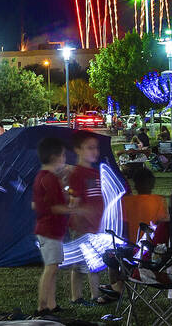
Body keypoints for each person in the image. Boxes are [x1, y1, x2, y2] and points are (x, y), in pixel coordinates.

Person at [32, 136, 72, 318]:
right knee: (51, 269)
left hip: (51, 230)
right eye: (63, 156)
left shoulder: (45, 177)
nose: (65, 159)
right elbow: (55, 206)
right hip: (50, 230)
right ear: (55, 157)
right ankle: (41, 307)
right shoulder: (49, 179)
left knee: (53, 267)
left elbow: (39, 203)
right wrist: (78, 210)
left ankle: (52, 304)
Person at [67, 131, 107, 306]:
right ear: (78, 150)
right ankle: (77, 297)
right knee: (80, 264)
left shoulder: (95, 173)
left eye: (96, 148)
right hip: (82, 226)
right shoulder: (77, 174)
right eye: (89, 148)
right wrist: (81, 219)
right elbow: (74, 203)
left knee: (94, 262)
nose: (94, 151)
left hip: (96, 225)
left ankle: (95, 295)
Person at [121, 167, 168, 244]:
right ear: (152, 184)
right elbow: (162, 227)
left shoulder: (126, 201)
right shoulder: (159, 200)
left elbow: (123, 228)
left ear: (135, 185)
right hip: (151, 245)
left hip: (132, 245)